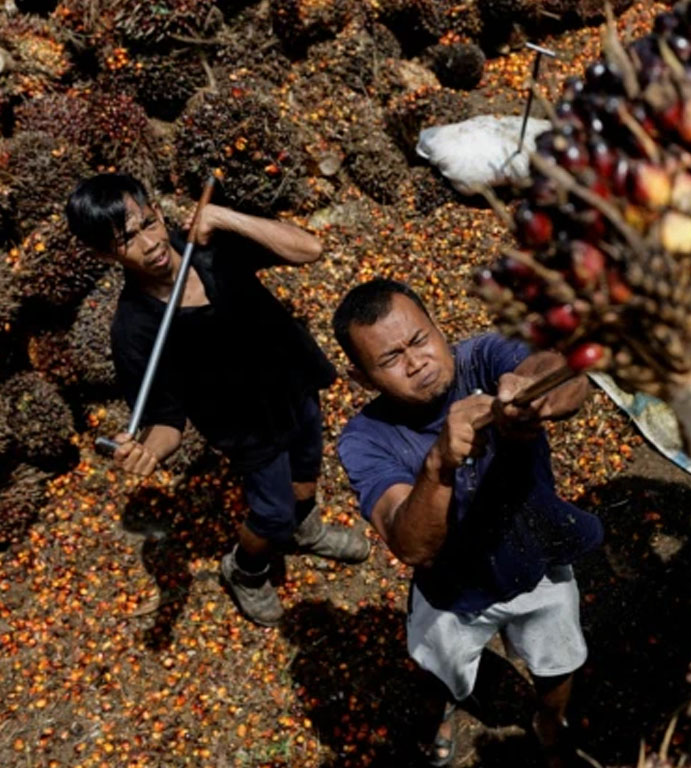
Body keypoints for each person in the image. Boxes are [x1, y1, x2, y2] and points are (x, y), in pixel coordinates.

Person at [65, 173, 370, 627]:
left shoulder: (207, 245)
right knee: (271, 515)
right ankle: (245, 570)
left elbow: (310, 249)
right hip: (245, 426)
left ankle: (307, 531)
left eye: (148, 223)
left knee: (306, 476)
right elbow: (165, 420)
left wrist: (225, 217)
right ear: (105, 254)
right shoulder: (134, 330)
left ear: (157, 211)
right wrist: (149, 450)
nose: (150, 243)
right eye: (128, 239)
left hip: (293, 380)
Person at [333, 279, 603, 767]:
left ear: (437, 327)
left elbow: (561, 374)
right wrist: (438, 465)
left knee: (558, 658)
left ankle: (548, 720)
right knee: (440, 666)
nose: (416, 363)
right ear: (361, 378)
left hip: (537, 562)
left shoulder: (484, 358)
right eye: (390, 359)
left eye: (419, 340)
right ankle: (444, 708)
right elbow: (411, 545)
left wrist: (533, 395)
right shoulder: (364, 440)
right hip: (450, 592)